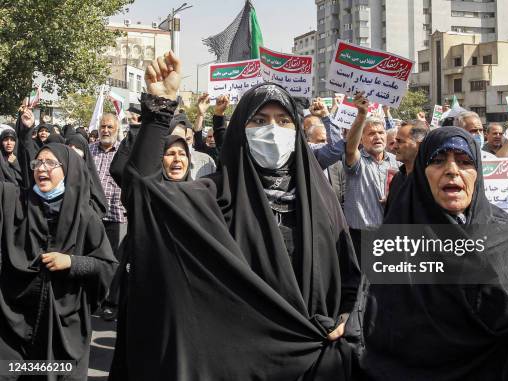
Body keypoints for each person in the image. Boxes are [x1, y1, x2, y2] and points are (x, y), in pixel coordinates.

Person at [109, 52, 360, 380]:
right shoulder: (213, 196)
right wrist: (159, 109)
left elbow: (351, 281)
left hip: (314, 363)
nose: (272, 130)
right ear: (240, 131)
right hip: (237, 365)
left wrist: (348, 317)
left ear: (297, 132)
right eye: (259, 120)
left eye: (283, 121)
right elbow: (144, 196)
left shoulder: (322, 200)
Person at [362, 127, 508, 380]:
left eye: (464, 162)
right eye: (438, 161)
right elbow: (376, 310)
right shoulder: (400, 230)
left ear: (478, 174)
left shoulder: (501, 230)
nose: (452, 170)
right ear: (422, 171)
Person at [0, 143, 116, 380]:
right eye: (38, 162)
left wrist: (72, 263)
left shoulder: (85, 216)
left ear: (68, 170)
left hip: (65, 328)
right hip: (16, 324)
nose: (41, 168)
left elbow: (107, 267)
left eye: (50, 163)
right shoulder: (15, 203)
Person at [343, 92, 399, 262]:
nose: (378, 137)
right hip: (361, 237)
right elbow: (350, 148)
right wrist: (361, 115)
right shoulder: (357, 160)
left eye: (381, 133)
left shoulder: (397, 163)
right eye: (371, 133)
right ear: (361, 139)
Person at [89, 113, 127, 320]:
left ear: (117, 128)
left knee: (115, 261)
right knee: (94, 258)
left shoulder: (124, 150)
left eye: (110, 127)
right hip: (93, 215)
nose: (105, 130)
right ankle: (94, 299)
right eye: (103, 126)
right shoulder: (89, 150)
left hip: (117, 214)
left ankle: (111, 302)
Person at [386, 121, 428, 212]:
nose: (394, 147)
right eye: (395, 141)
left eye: (400, 141)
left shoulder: (430, 182)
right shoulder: (397, 178)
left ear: (419, 145)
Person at [169, 112, 216, 179]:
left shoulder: (206, 162)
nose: (184, 144)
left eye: (188, 139)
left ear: (193, 139)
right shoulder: (160, 163)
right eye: (179, 140)